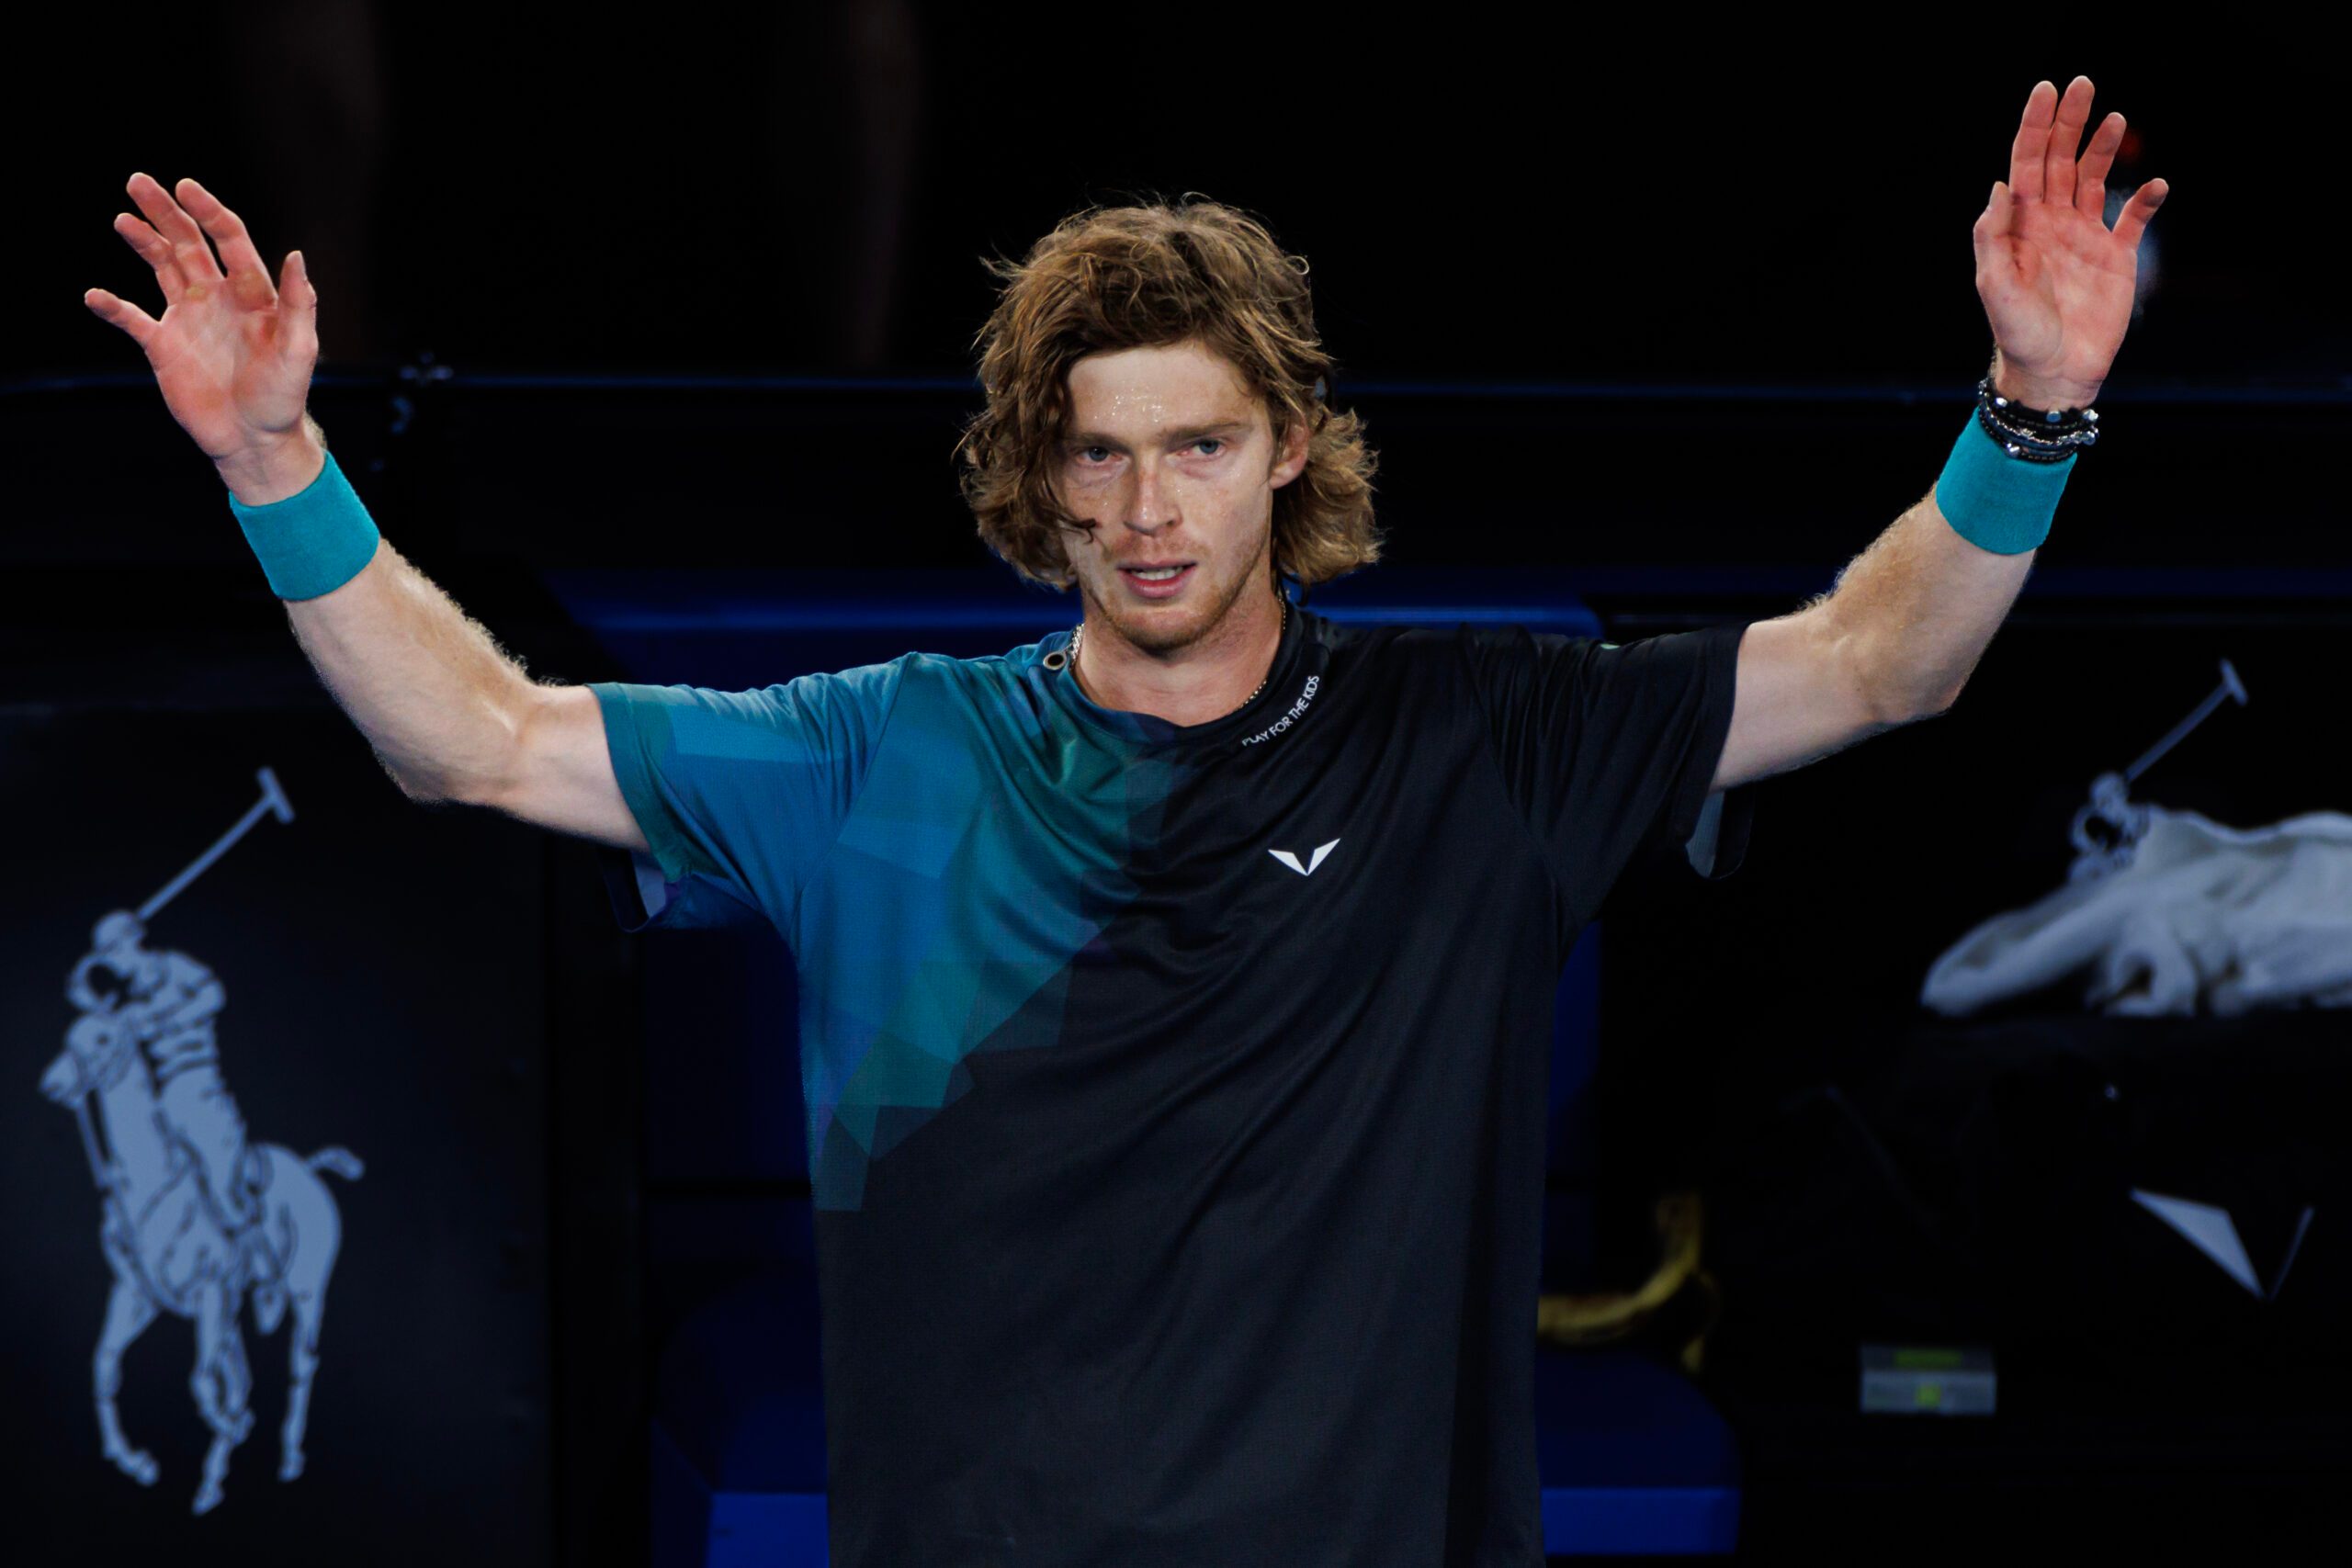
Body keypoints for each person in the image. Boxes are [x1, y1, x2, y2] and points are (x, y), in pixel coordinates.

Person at [85, 75, 2164, 1565]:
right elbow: (471, 736)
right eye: (1098, 453)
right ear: (1039, 476)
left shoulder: (1485, 737)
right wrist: (275, 465)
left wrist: (2033, 409)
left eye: (1199, 444)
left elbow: (1879, 661)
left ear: (1291, 451)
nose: (1148, 505)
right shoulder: (876, 753)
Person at [67, 911, 279, 1289]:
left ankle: (260, 1253)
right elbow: (103, 1025)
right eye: (106, 954)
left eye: (114, 949)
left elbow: (214, 995)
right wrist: (82, 990)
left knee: (220, 1178)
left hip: (199, 1084)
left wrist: (166, 1018)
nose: (113, 960)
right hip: (159, 1095)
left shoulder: (173, 966)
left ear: (133, 940)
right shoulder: (126, 1000)